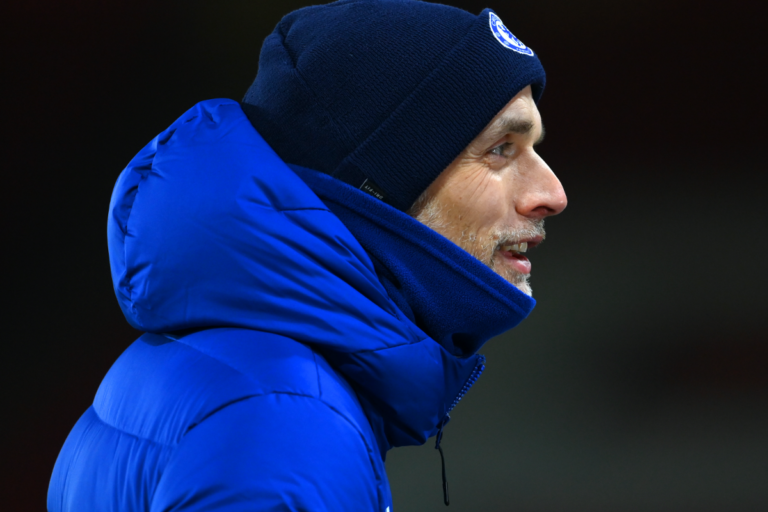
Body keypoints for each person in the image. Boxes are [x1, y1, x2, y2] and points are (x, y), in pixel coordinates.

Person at [48, 1, 566, 511]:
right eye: (501, 149)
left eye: (536, 148)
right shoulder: (288, 425)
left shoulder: (211, 377)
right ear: (378, 191)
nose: (552, 193)